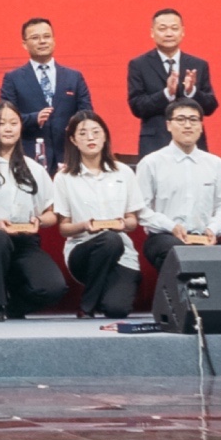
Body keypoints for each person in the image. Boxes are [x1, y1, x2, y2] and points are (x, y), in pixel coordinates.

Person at [0, 127, 66, 319]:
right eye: (2, 123)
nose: (8, 128)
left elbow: (51, 214)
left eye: (13, 122)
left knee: (53, 288)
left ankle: (12, 306)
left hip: (23, 241)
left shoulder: (34, 168)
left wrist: (39, 221)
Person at [133, 102, 221, 307]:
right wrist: (171, 227)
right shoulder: (151, 163)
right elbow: (141, 209)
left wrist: (213, 229)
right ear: (168, 125)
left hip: (204, 237)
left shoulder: (215, 164)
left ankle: (196, 307)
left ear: (201, 126)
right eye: (180, 119)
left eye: (193, 120)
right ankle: (192, 305)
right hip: (164, 237)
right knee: (178, 251)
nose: (187, 125)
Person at [50, 114, 141, 317]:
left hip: (122, 254)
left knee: (117, 310)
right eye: (83, 133)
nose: (90, 138)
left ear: (105, 136)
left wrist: (122, 224)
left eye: (96, 132)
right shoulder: (64, 177)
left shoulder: (124, 172)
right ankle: (88, 304)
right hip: (83, 251)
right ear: (73, 140)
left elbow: (132, 221)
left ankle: (106, 293)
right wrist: (84, 225)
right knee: (110, 239)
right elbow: (64, 228)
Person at [0, 18, 95, 166]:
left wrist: (75, 126)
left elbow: (87, 113)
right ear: (24, 44)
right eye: (35, 38)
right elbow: (5, 118)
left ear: (54, 40)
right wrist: (34, 118)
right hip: (29, 155)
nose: (42, 41)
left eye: (47, 36)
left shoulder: (74, 77)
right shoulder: (13, 78)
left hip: (69, 155)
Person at [125, 8, 218, 157]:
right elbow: (137, 106)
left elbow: (210, 106)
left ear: (182, 32)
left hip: (192, 143)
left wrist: (191, 92)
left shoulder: (198, 64)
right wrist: (166, 94)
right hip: (155, 142)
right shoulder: (139, 65)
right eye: (162, 29)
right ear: (152, 32)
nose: (169, 33)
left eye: (174, 28)